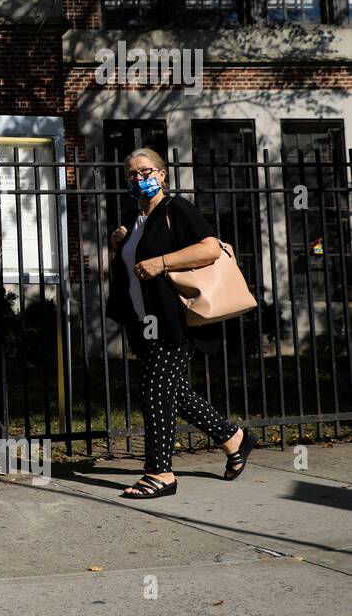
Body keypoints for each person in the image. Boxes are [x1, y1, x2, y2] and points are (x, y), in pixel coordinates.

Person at [105, 147, 258, 498]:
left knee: (154, 391)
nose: (138, 179)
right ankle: (235, 438)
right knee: (174, 392)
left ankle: (160, 473)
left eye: (145, 172)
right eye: (131, 174)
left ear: (162, 175)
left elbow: (209, 249)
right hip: (142, 321)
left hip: (174, 320)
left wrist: (160, 262)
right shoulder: (135, 222)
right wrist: (121, 246)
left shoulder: (178, 209)